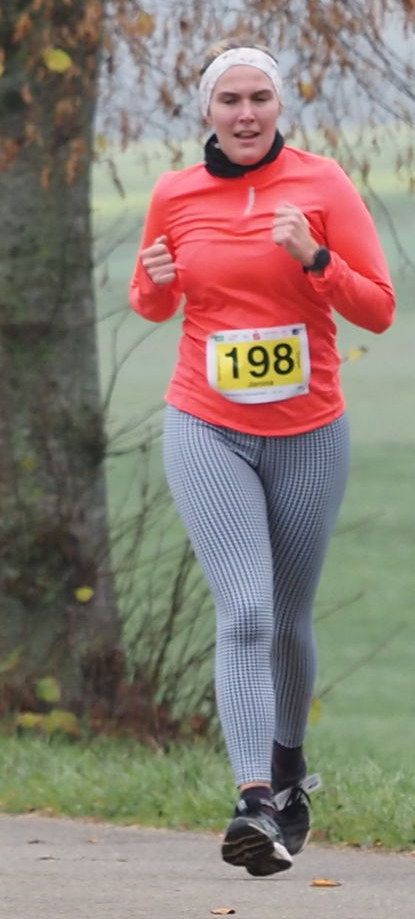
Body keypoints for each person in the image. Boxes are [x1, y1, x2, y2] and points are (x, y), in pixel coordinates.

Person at [130, 46, 397, 876]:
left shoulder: (323, 185)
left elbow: (379, 310)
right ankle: (253, 802)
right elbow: (152, 301)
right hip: (206, 424)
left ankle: (288, 769)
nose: (245, 114)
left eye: (260, 98)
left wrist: (316, 260)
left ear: (280, 106)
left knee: (286, 617)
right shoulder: (175, 193)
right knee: (244, 612)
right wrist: (155, 280)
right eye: (230, 100)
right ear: (207, 111)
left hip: (309, 429)